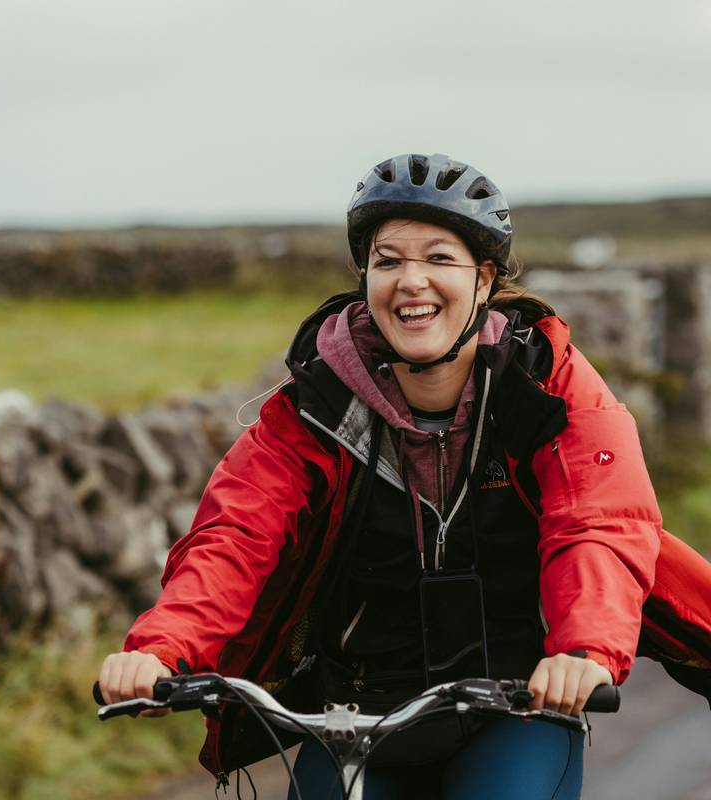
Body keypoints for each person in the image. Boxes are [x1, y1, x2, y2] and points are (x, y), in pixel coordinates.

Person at [99, 153, 665, 798]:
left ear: (484, 280)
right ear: (365, 275)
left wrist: (585, 652)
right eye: (389, 260)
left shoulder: (547, 388)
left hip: (516, 707)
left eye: (439, 259)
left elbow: (598, 522)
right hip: (353, 712)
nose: (411, 281)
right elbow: (236, 536)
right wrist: (161, 647)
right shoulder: (316, 404)